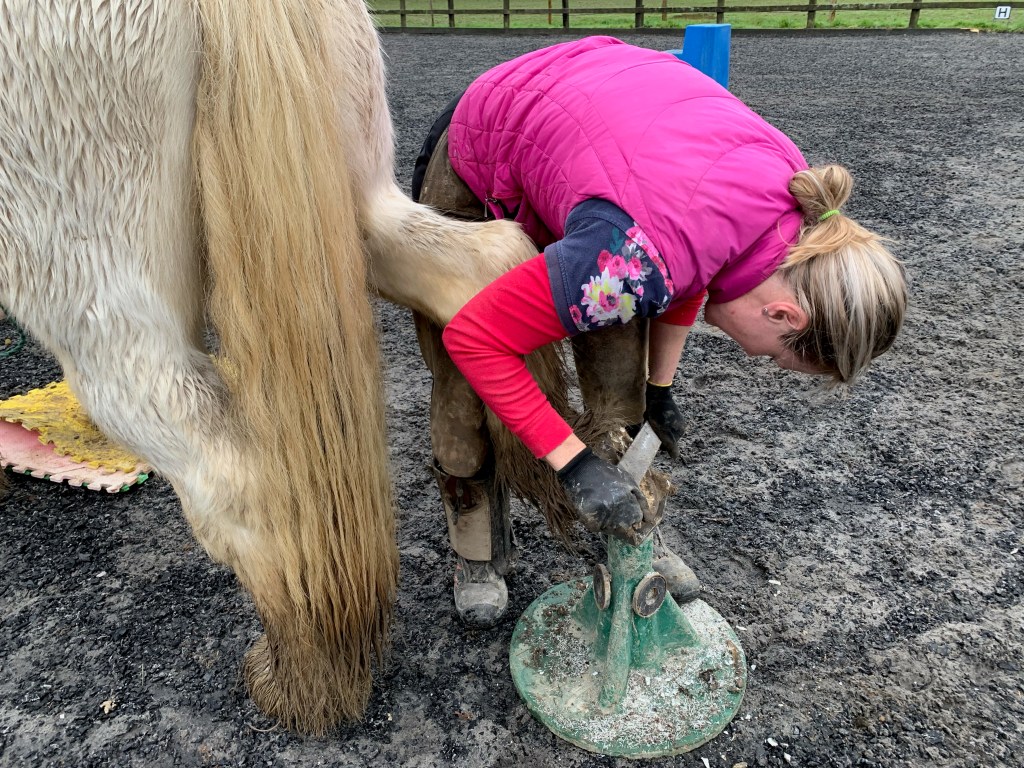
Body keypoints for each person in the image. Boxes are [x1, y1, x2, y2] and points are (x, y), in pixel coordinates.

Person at [412, 36, 907, 627]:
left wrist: (661, 388)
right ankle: (477, 549)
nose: (762, 362)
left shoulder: (791, 211)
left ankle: (631, 533)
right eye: (778, 359)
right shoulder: (635, 260)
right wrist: (573, 465)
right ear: (784, 316)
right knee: (464, 387)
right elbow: (476, 339)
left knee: (625, 373)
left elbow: (702, 264)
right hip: (488, 142)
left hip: (598, 154)